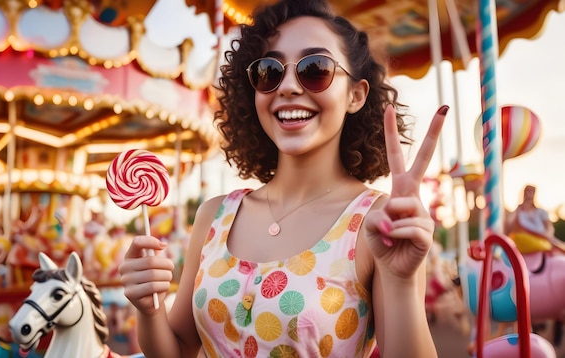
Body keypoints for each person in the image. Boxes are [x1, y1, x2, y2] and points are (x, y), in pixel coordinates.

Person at [118, 1, 448, 357]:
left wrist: (400, 282)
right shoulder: (214, 216)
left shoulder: (377, 223)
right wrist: (149, 310)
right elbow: (180, 349)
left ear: (355, 95)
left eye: (315, 68)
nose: (288, 86)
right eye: (269, 72)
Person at [506, 184, 561, 254]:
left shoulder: (540, 211)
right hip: (524, 240)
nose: (529, 193)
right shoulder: (518, 212)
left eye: (531, 191)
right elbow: (508, 223)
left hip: (543, 240)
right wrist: (519, 207)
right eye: (527, 191)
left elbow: (549, 228)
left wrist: (546, 235)